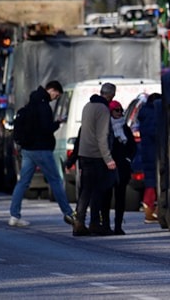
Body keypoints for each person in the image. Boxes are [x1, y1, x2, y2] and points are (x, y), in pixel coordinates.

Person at [9, 80, 76, 227]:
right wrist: (58, 123)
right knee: (56, 181)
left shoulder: (31, 103)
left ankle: (14, 215)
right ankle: (69, 213)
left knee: (23, 183)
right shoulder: (44, 106)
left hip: (28, 150)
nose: (55, 98)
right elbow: (46, 129)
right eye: (56, 96)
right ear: (51, 90)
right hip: (42, 150)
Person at [73, 82, 117, 236]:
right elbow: (102, 136)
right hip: (97, 155)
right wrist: (108, 159)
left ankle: (79, 221)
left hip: (84, 154)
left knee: (85, 190)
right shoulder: (103, 109)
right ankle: (94, 223)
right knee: (98, 191)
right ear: (112, 95)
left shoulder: (87, 106)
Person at [100, 100, 136, 235]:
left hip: (122, 168)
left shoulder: (125, 128)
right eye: (117, 110)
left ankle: (118, 226)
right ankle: (105, 225)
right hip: (109, 167)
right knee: (106, 197)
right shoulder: (106, 127)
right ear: (110, 112)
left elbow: (133, 146)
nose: (120, 113)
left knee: (120, 198)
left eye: (121, 110)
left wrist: (128, 159)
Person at [138, 92, 161, 224]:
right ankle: (150, 209)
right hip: (154, 152)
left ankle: (149, 209)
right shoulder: (154, 114)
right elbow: (154, 132)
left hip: (146, 151)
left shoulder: (144, 114)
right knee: (153, 181)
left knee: (150, 180)